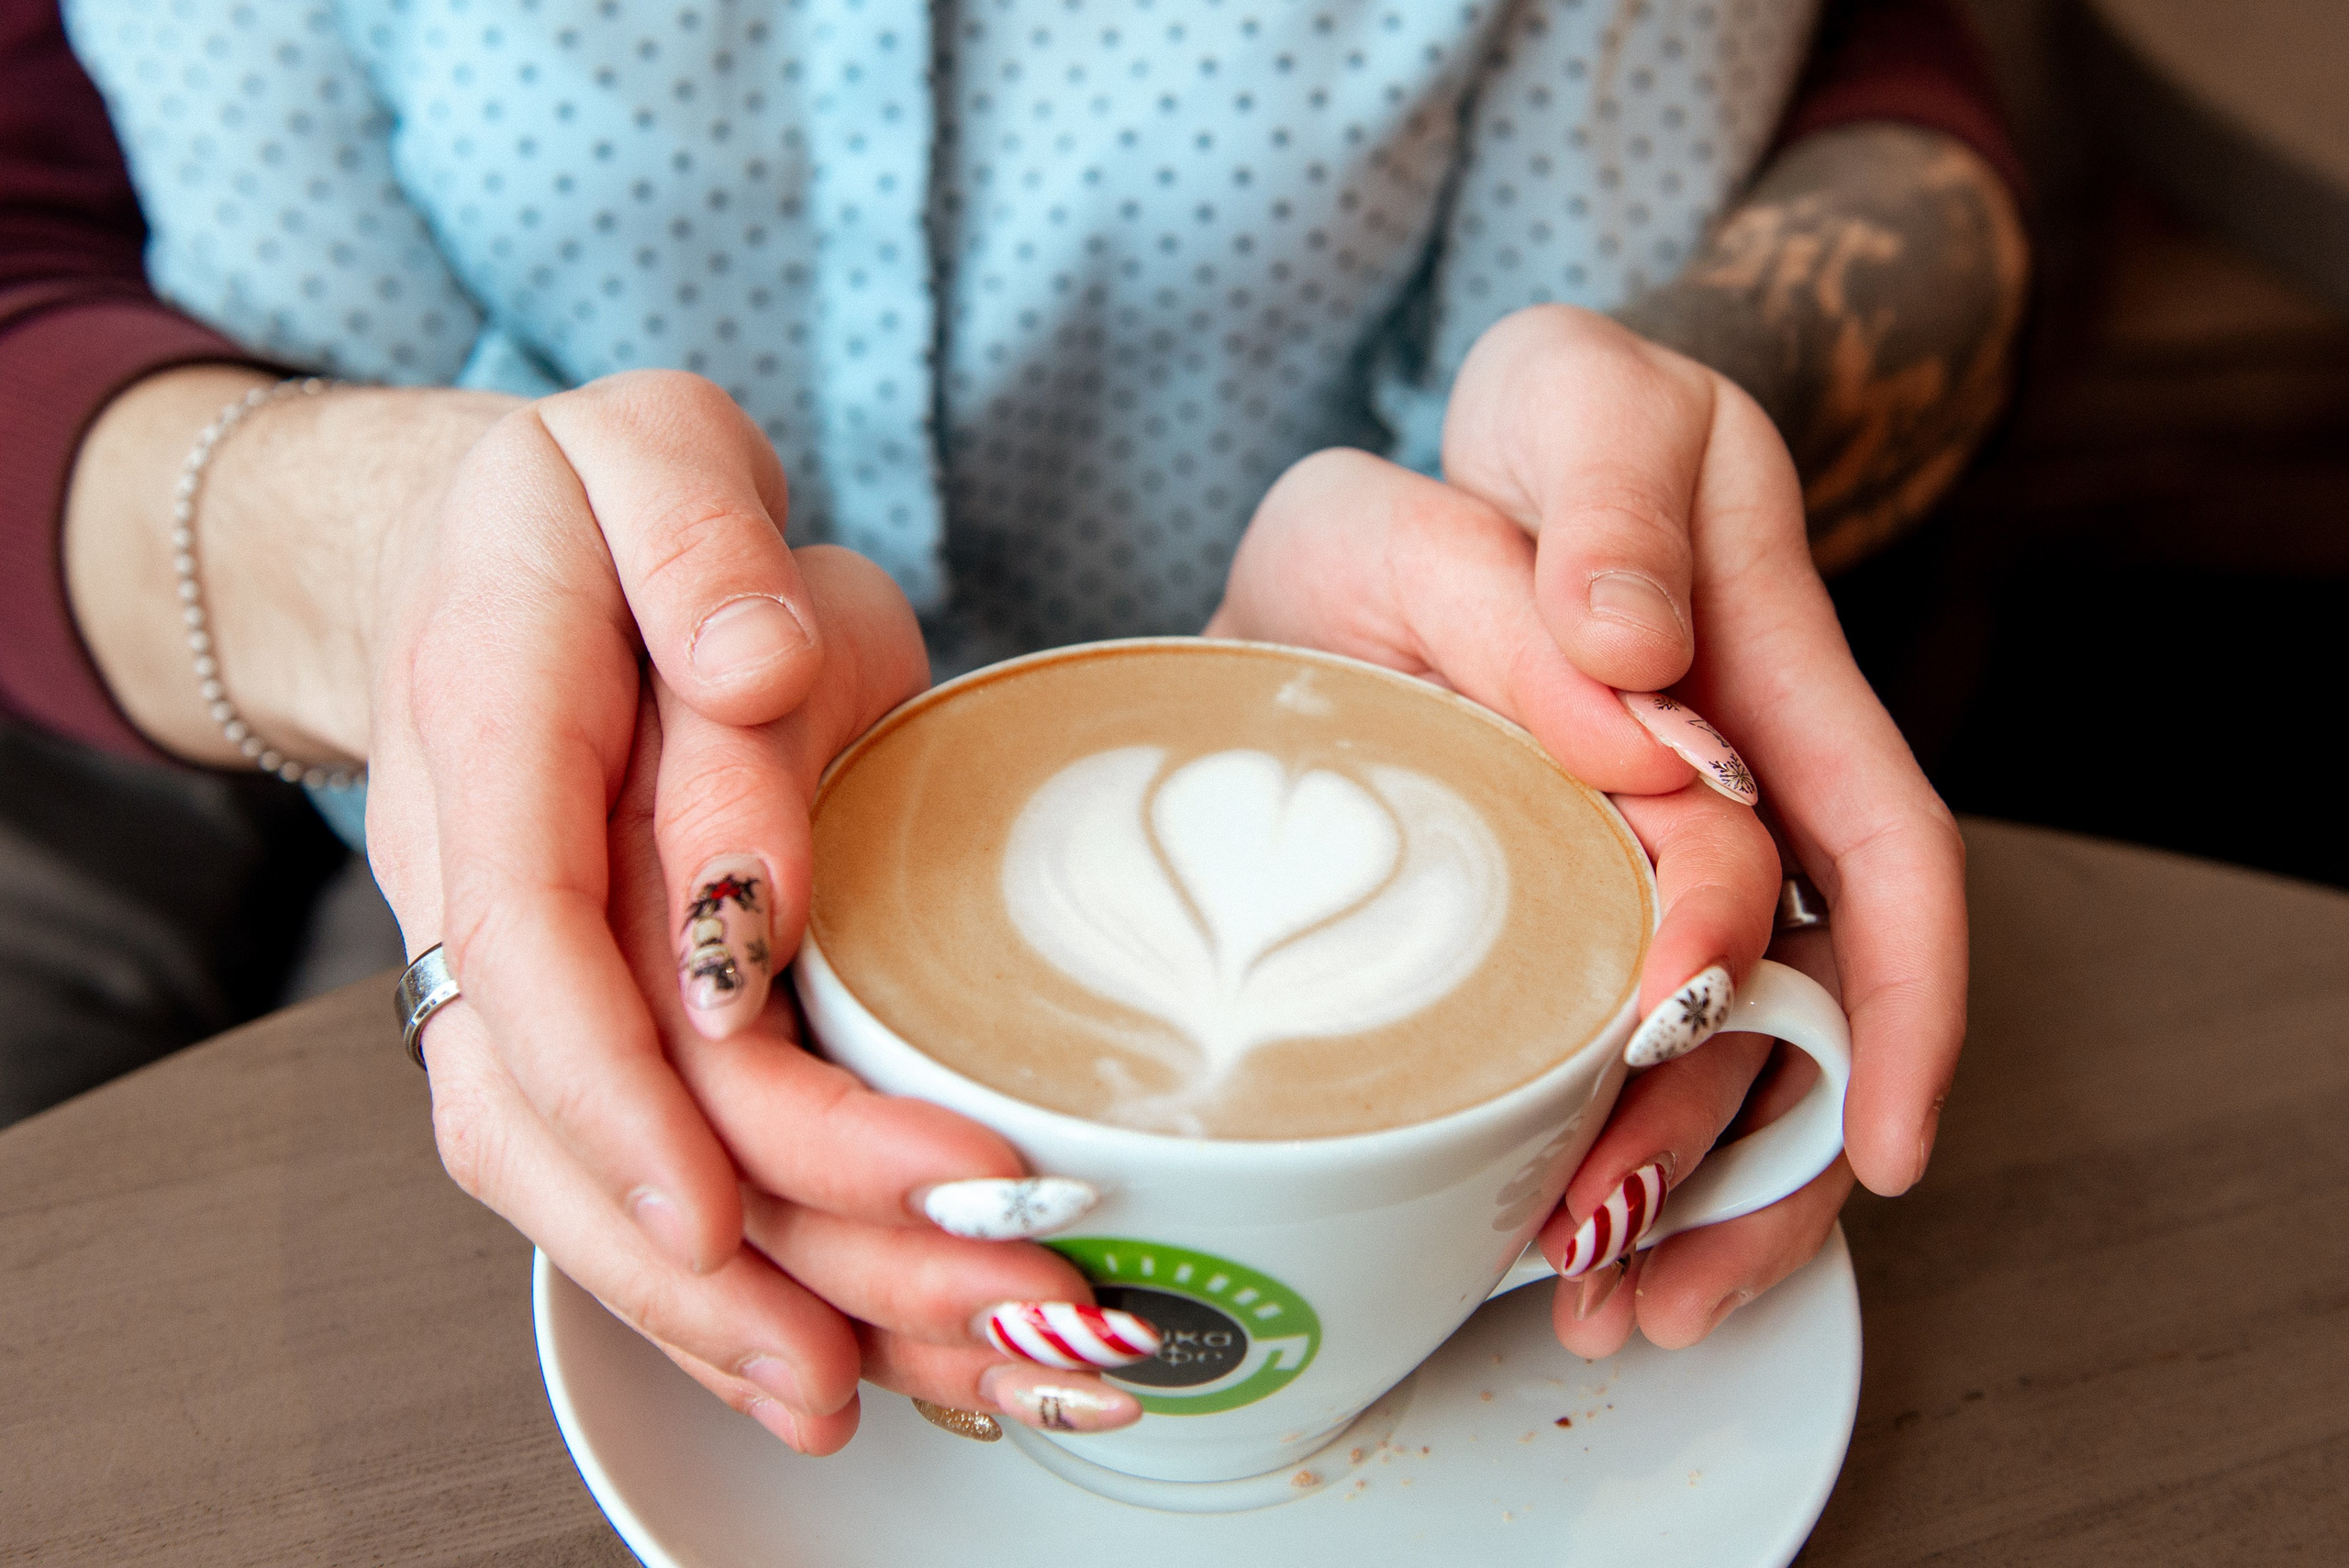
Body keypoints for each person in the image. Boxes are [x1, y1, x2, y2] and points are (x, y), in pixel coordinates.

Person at [0, 0, 2023, 1447]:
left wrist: (1601, 536)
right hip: (548, 865)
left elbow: (1899, 81)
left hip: (1398, 758)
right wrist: (389, 567)